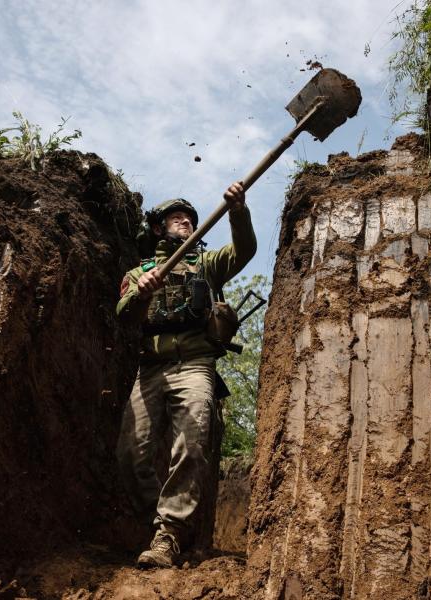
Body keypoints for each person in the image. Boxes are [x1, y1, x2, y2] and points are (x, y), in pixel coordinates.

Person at [116, 181, 255, 568]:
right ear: (159, 229)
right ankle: (156, 522)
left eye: (191, 219)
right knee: (131, 454)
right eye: (176, 218)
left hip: (195, 366)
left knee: (191, 444)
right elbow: (123, 316)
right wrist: (140, 292)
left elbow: (245, 251)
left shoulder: (207, 266)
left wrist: (238, 211)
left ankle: (169, 536)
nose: (186, 221)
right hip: (150, 369)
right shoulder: (137, 272)